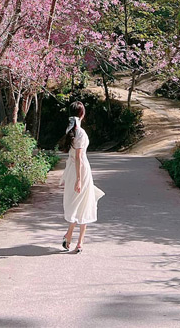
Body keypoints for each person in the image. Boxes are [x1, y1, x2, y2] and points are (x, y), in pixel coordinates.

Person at [61, 100, 104, 253]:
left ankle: (69, 235)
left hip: (72, 170)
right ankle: (79, 242)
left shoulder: (70, 130)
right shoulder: (80, 132)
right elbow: (79, 157)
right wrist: (79, 179)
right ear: (82, 113)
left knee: (76, 203)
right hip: (81, 170)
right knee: (85, 202)